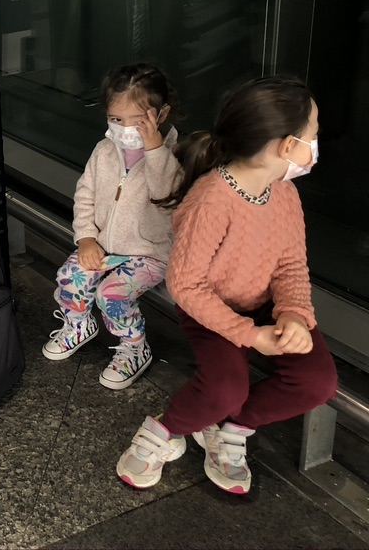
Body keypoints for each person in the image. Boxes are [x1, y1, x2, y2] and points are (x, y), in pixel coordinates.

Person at [116, 76, 338, 495]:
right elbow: (187, 287)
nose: (316, 143)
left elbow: (291, 265)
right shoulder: (211, 199)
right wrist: (249, 335)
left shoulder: (284, 193)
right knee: (224, 388)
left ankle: (231, 429)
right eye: (313, 133)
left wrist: (293, 314)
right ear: (286, 146)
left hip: (263, 305)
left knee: (317, 383)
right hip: (209, 307)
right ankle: (163, 432)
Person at [42, 63, 181, 390]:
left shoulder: (174, 154)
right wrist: (87, 238)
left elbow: (165, 195)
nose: (127, 129)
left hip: (149, 253)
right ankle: (78, 325)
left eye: (139, 120)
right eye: (117, 120)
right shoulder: (105, 150)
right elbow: (85, 194)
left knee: (112, 295)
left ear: (161, 115)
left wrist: (155, 150)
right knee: (70, 277)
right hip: (105, 245)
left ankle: (134, 345)